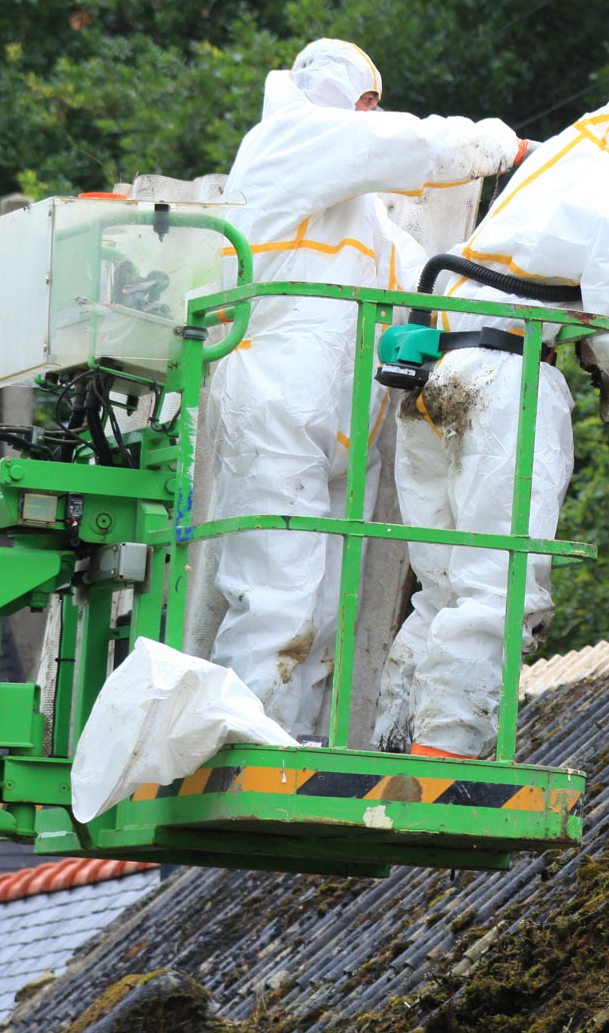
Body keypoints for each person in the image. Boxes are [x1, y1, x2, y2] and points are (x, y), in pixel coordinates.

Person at [373, 61, 609, 758]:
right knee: (500, 587)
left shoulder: (570, 152)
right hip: (504, 382)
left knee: (444, 587)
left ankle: (392, 754)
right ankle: (442, 765)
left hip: (434, 366)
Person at [206, 38, 524, 738]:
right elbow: (413, 146)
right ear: (362, 101)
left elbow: (428, 279)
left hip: (332, 426)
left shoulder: (361, 218)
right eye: (370, 104)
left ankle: (291, 742)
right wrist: (505, 146)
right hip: (278, 406)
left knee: (318, 609)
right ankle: (240, 741)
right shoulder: (290, 136)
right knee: (276, 595)